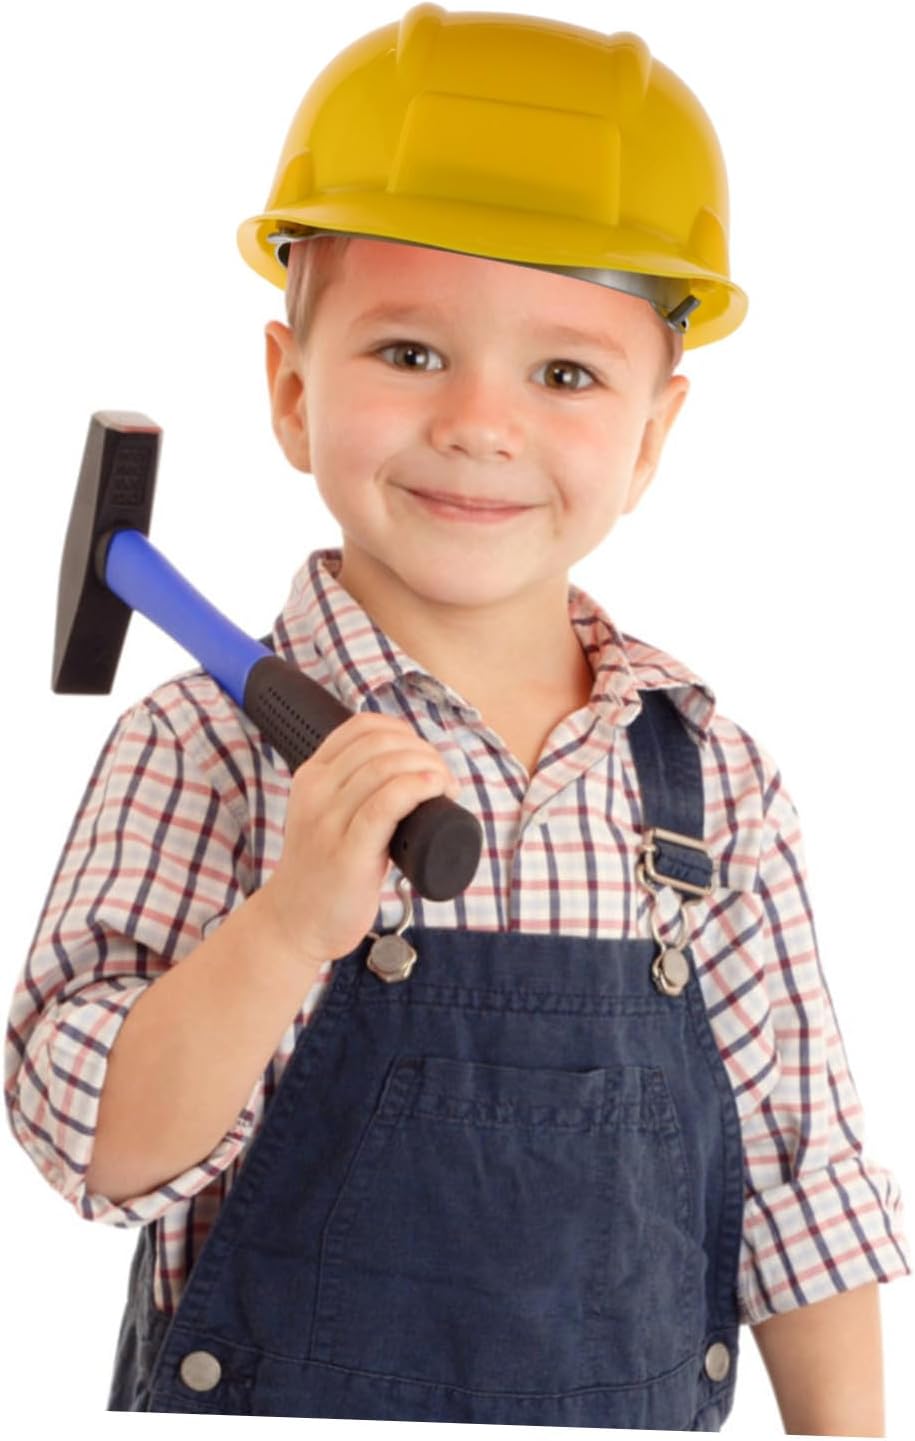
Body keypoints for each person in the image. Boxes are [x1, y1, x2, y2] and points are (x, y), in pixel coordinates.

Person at [4, 4, 909, 1430]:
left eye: (565, 373)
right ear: (290, 390)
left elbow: (802, 1185)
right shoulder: (200, 750)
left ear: (652, 436)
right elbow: (93, 1151)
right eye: (412, 353)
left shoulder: (708, 780)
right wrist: (286, 925)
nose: (481, 422)